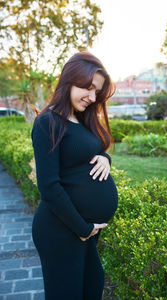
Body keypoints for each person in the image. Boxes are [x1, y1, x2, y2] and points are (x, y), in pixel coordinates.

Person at [31, 51, 118, 300]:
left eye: (96, 92)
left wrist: (106, 158)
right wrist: (82, 228)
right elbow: (48, 186)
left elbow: (89, 152)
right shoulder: (47, 122)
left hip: (84, 231)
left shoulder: (81, 118)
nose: (92, 97)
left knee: (92, 286)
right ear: (71, 78)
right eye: (88, 88)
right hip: (60, 230)